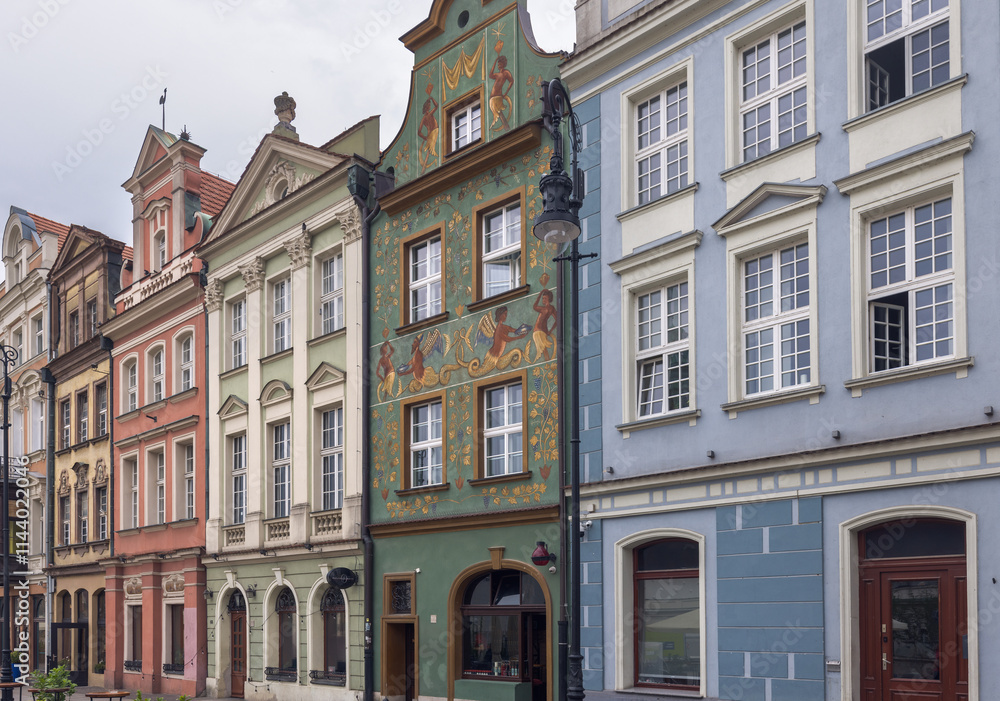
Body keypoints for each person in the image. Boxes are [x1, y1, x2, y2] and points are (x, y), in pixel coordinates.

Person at [531, 289, 556, 361]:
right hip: (544, 331)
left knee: (542, 350)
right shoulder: (551, 308)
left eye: (545, 298)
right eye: (542, 298)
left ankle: (547, 362)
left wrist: (540, 293)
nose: (543, 300)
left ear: (549, 299)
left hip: (538, 331)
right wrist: (550, 330)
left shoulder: (544, 309)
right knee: (544, 349)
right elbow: (557, 320)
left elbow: (534, 306)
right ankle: (547, 361)